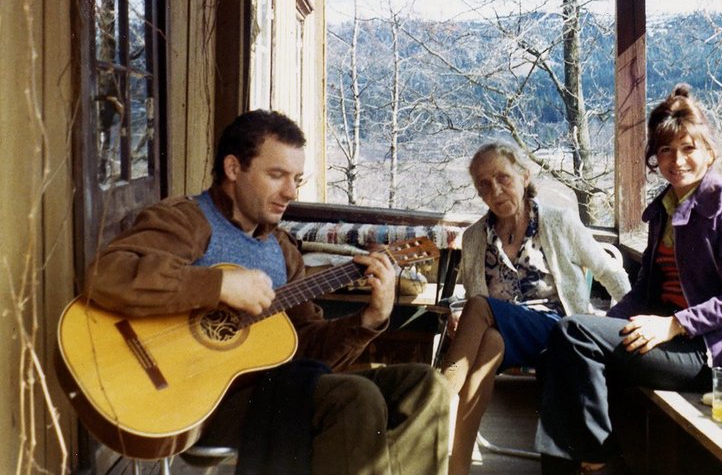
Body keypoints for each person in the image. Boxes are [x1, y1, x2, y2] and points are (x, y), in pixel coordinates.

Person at [83, 109, 449, 475]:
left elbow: (306, 349)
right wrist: (219, 285)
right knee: (354, 397)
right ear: (233, 168)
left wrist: (371, 318)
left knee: (425, 386)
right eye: (276, 175)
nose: (290, 192)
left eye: (297, 179)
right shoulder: (189, 220)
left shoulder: (282, 250)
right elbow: (106, 275)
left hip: (277, 390)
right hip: (196, 399)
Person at [534, 85, 722, 475]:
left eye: (688, 148)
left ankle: (600, 460)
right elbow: (645, 288)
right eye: (665, 150)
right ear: (655, 157)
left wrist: (676, 324)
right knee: (554, 355)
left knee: (573, 336)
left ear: (709, 152)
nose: (677, 160)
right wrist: (607, 325)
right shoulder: (665, 208)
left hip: (708, 353)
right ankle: (575, 465)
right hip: (663, 335)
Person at [440, 142, 631, 475]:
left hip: (558, 331)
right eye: (483, 184)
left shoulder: (558, 221)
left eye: (503, 177)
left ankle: (435, 400)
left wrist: (629, 323)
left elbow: (608, 270)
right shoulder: (474, 238)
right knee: (489, 343)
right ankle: (457, 469)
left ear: (524, 175)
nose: (495, 189)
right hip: (504, 333)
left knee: (479, 308)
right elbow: (474, 295)